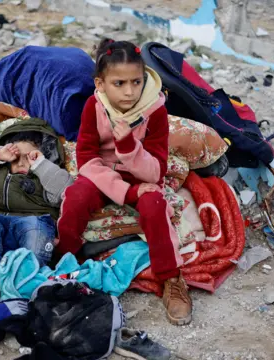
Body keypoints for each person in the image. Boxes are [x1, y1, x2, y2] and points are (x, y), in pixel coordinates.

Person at [56, 39, 192, 326]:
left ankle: (171, 279)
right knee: (76, 196)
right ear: (101, 83)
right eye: (119, 83)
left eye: (136, 81)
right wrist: (126, 192)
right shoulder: (94, 105)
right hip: (102, 174)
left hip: (141, 173)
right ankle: (63, 260)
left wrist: (130, 147)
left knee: (155, 204)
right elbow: (87, 159)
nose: (130, 91)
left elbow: (156, 171)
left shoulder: (155, 110)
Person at [0, 119, 74, 312]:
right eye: (16, 156)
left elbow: (64, 190)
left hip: (33, 220)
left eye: (29, 157)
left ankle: (27, 282)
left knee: (36, 226)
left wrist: (40, 165)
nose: (21, 162)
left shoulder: (44, 174)